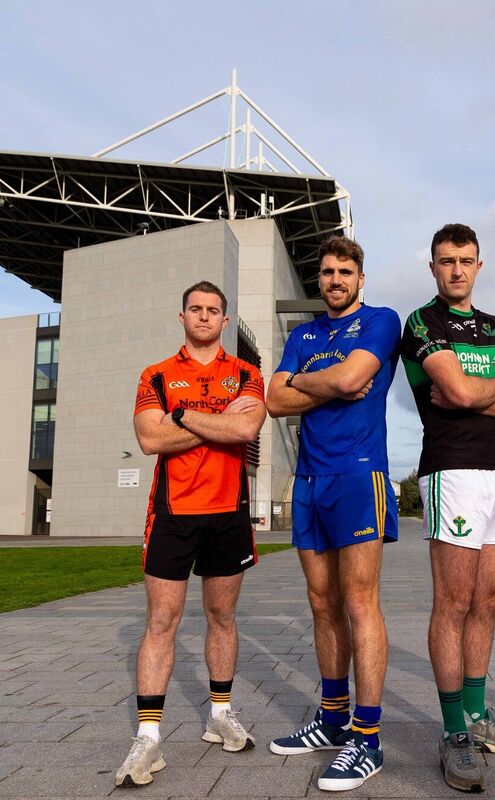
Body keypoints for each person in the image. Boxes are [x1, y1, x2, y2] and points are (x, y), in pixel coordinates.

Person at [399, 223, 495, 793]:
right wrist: (490, 391)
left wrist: (472, 393)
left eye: (466, 260)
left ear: (480, 265)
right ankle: (454, 728)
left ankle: (477, 716)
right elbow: (452, 394)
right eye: (446, 260)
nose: (456, 269)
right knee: (453, 602)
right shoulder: (421, 322)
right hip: (450, 474)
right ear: (432, 266)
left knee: (489, 598)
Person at [115, 281, 267, 788]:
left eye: (214, 311)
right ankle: (148, 738)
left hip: (228, 513)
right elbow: (148, 438)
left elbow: (246, 432)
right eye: (196, 309)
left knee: (221, 616)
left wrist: (181, 416)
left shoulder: (247, 373)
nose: (204, 317)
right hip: (172, 513)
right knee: (162, 620)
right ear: (181, 316)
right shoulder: (155, 374)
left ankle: (219, 714)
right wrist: (213, 421)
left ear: (226, 321)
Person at [266, 236, 401, 792]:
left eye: (346, 271)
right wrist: (310, 383)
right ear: (317, 279)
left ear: (360, 279)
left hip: (357, 473)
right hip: (309, 480)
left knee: (358, 602)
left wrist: (308, 384)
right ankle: (331, 719)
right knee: (321, 602)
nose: (336, 279)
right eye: (326, 272)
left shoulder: (381, 320)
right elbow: (275, 398)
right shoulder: (303, 335)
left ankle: (366, 740)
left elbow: (354, 381)